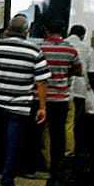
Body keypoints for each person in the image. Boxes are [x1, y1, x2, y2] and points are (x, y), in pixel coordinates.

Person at [0, 14, 49, 186]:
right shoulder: (34, 51)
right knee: (13, 144)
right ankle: (6, 184)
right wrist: (42, 107)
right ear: (27, 30)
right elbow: (41, 82)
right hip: (19, 106)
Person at [39, 21, 81, 177]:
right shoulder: (70, 49)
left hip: (40, 97)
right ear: (63, 30)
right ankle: (57, 168)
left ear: (46, 30)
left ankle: (37, 165)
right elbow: (78, 70)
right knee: (59, 134)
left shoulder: (40, 48)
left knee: (38, 133)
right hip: (61, 97)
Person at [65, 24, 94, 157]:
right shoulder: (88, 49)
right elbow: (93, 72)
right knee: (75, 124)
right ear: (83, 35)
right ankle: (72, 153)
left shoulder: (62, 46)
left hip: (61, 90)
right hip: (79, 91)